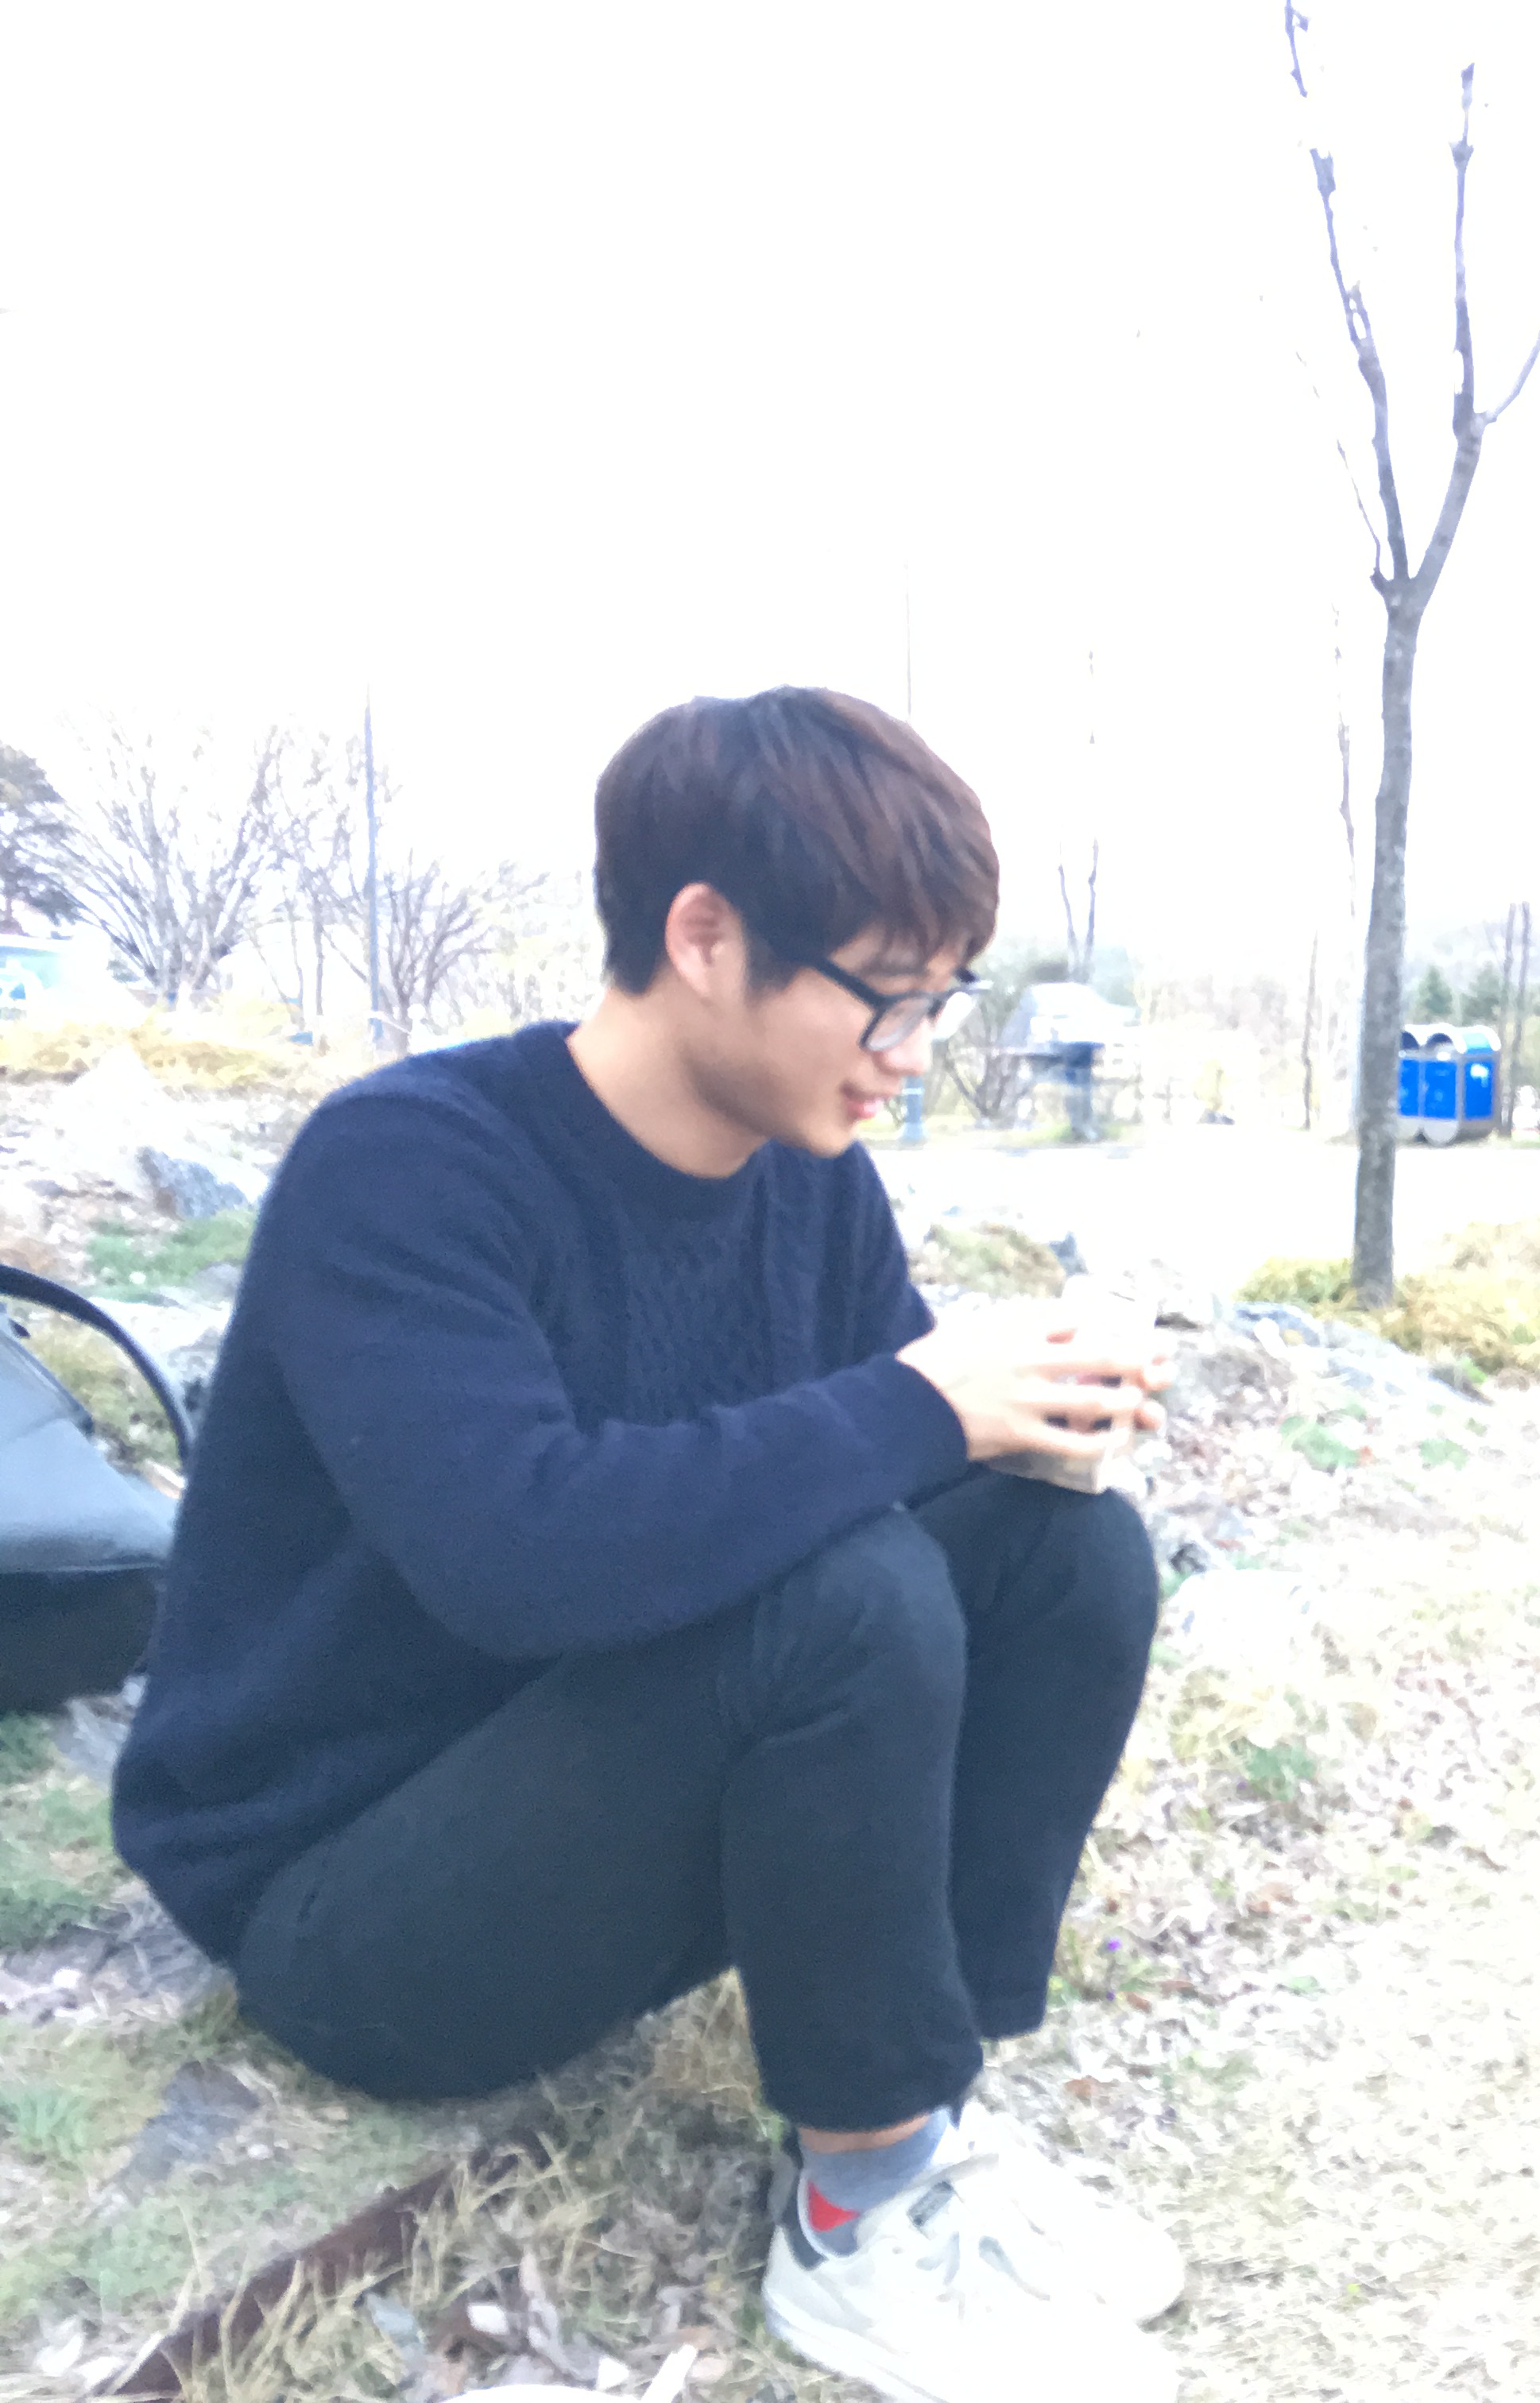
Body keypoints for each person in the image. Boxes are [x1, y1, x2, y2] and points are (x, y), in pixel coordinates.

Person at [114, 690, 1183, 2403]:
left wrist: (1034, 1416)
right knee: (843, 1593)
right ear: (703, 935)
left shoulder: (808, 1181)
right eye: (886, 993)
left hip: (596, 1805)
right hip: (353, 1904)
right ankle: (858, 2213)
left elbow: (882, 1487)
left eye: (942, 997)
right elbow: (519, 1555)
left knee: (1064, 1552)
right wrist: (919, 1407)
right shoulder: (410, 1164)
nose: (913, 1049)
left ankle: (928, 2128)